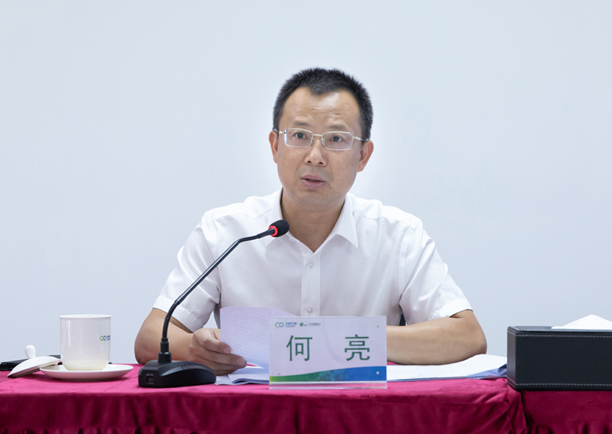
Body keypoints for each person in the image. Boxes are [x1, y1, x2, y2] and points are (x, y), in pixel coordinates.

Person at [134, 68, 487, 374]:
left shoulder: (399, 236)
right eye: (300, 136)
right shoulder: (225, 232)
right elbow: (151, 338)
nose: (315, 157)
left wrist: (342, 339)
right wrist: (196, 349)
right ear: (275, 146)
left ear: (363, 156)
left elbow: (468, 337)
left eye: (336, 139)